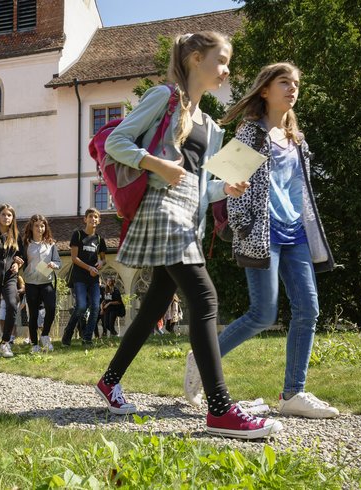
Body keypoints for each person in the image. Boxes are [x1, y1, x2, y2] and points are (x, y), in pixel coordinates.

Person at [95, 32, 282, 440]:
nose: (227, 69)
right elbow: (115, 141)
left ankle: (109, 380)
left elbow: (199, 187)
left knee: (155, 305)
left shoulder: (211, 125)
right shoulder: (164, 97)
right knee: (205, 298)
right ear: (196, 59)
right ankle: (219, 409)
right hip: (162, 213)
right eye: (222, 59)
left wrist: (224, 188)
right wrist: (156, 165)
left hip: (186, 217)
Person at [184, 62, 338, 419]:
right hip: (260, 232)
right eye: (285, 82)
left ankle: (292, 393)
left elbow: (300, 190)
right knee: (263, 312)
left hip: (296, 233)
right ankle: (203, 357)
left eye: (297, 83)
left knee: (308, 309)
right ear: (265, 90)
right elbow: (226, 184)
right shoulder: (250, 133)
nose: (293, 88)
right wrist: (241, 224)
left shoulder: (297, 140)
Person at [63, 208, 106, 346]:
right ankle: (67, 335)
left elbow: (103, 259)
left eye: (96, 217)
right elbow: (74, 258)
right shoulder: (78, 235)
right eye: (91, 216)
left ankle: (87, 338)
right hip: (79, 278)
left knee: (95, 307)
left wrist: (100, 263)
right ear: (85, 219)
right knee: (81, 306)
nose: (93, 219)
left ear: (98, 221)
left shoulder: (100, 239)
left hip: (93, 279)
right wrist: (89, 268)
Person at [0, 203, 24, 358]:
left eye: (9, 215)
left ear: (13, 218)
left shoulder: (16, 236)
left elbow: (22, 257)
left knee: (12, 305)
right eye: (3, 214)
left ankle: (5, 342)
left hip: (10, 278)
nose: (6, 217)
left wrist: (17, 263)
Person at [22, 214, 61, 353]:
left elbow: (58, 262)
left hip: (46, 282)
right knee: (33, 314)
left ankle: (45, 335)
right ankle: (34, 344)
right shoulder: (26, 243)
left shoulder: (51, 244)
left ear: (46, 227)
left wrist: (53, 265)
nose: (40, 228)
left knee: (51, 308)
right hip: (31, 283)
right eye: (37, 225)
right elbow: (21, 259)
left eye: (42, 225)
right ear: (31, 228)